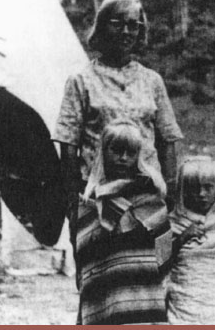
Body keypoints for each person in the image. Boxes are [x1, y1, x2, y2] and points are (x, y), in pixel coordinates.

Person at [52, 0, 183, 304]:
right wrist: (75, 201)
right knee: (99, 285)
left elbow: (167, 139)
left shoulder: (152, 81)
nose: (126, 32)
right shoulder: (81, 80)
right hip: (99, 200)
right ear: (101, 27)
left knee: (147, 284)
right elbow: (68, 143)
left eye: (134, 26)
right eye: (117, 24)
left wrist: (172, 194)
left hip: (147, 201)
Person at [76, 121, 171, 324]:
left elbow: (164, 251)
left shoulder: (150, 195)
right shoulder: (91, 199)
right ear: (104, 151)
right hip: (104, 294)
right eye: (117, 151)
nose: (123, 158)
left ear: (139, 155)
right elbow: (85, 258)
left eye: (130, 152)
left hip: (142, 294)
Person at [166, 156, 215, 324]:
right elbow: (158, 259)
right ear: (183, 191)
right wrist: (183, 237)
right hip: (186, 294)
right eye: (193, 188)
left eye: (208, 187)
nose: (201, 194)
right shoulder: (174, 221)